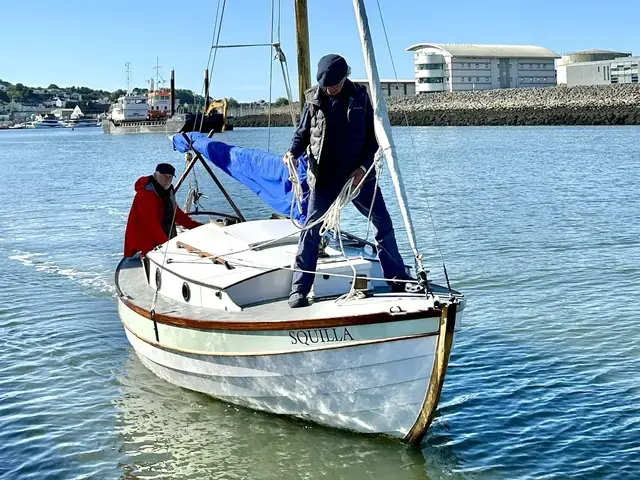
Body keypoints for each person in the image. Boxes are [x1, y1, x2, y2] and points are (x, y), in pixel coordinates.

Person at [284, 54, 411, 308]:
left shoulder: (361, 97)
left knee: (383, 222)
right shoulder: (313, 99)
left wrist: (363, 168)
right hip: (324, 178)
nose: (330, 89)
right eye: (326, 85)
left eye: (334, 84)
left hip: (359, 177)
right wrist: (292, 152)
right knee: (311, 229)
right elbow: (302, 134)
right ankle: (299, 289)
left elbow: (375, 139)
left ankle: (397, 279)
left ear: (345, 78)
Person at [124, 163, 202, 257]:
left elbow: (178, 215)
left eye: (170, 177)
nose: (167, 180)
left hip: (159, 245)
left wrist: (199, 227)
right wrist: (168, 246)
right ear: (155, 175)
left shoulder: (166, 193)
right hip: (143, 249)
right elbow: (151, 225)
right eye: (164, 176)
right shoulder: (145, 194)